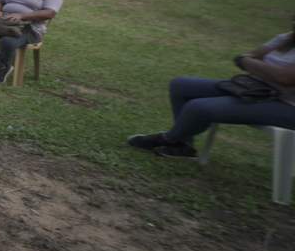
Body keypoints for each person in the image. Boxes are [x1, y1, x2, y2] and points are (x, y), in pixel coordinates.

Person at [126, 18, 295, 158]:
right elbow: (244, 58)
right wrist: (268, 71)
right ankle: (183, 144)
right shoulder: (287, 38)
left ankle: (168, 139)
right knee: (180, 85)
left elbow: (283, 76)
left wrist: (261, 68)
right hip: (254, 88)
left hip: (286, 106)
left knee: (198, 107)